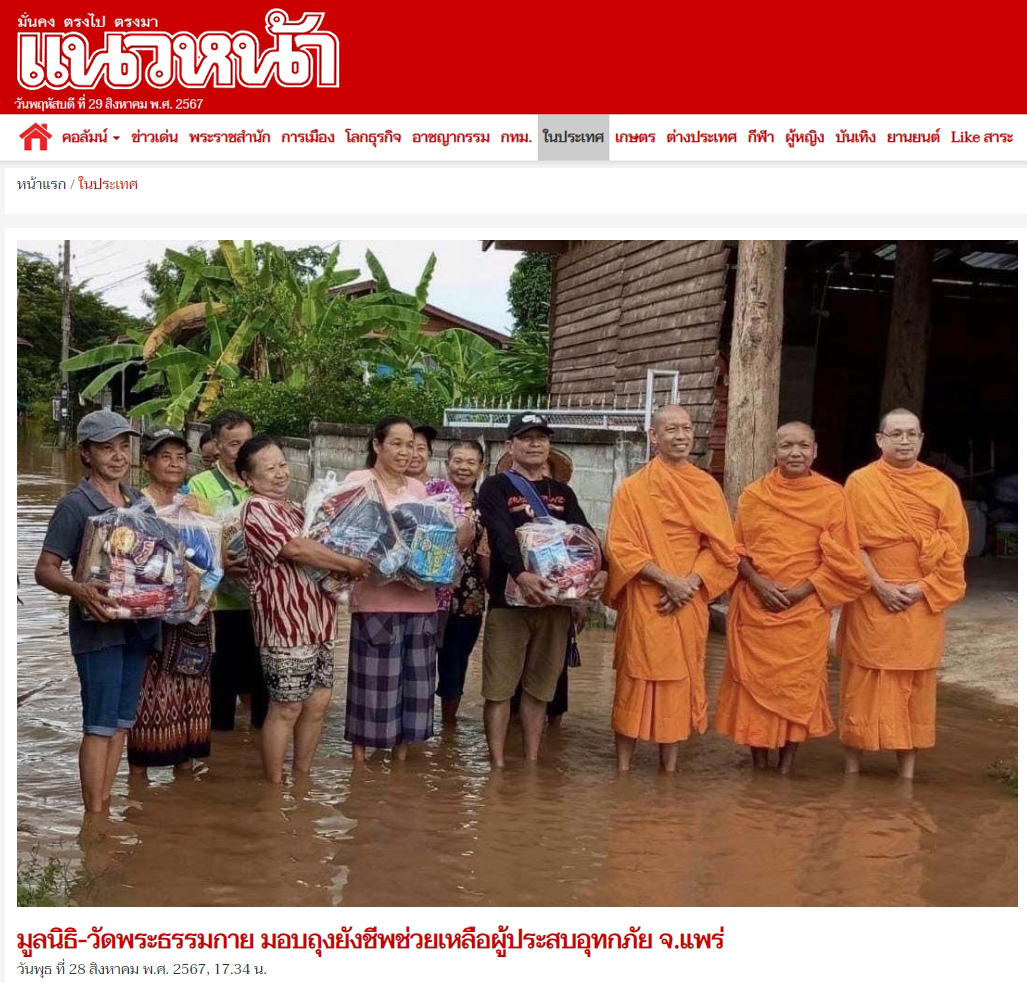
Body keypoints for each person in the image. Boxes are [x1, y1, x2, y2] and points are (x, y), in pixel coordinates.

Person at [714, 422, 869, 774]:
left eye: (802, 446)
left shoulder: (832, 496)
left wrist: (803, 589)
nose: (794, 453)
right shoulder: (754, 496)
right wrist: (757, 583)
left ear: (815, 451)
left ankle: (786, 767)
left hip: (806, 607)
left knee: (799, 687)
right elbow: (736, 550)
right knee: (753, 686)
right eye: (786, 446)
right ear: (774, 451)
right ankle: (759, 764)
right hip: (757, 605)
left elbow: (843, 557)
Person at [34, 410, 162, 812]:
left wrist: (187, 576)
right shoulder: (75, 505)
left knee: (122, 722)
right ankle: (94, 818)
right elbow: (44, 570)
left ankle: (104, 807)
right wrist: (79, 590)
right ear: (86, 453)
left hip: (138, 626)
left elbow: (160, 559)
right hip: (98, 628)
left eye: (124, 447)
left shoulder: (140, 502)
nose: (118, 456)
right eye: (107, 448)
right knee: (99, 723)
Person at [603, 404, 738, 773]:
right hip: (647, 597)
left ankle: (669, 767)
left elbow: (722, 547)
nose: (680, 436)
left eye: (686, 428)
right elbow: (620, 546)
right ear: (654, 436)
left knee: (680, 679)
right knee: (635, 678)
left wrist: (690, 583)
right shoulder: (634, 489)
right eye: (671, 429)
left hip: (688, 598)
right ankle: (624, 767)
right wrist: (667, 581)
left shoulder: (705, 486)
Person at [836, 408, 969, 780]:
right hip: (870, 596)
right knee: (862, 680)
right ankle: (852, 765)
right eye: (896, 434)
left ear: (922, 438)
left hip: (921, 599)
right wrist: (878, 585)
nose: (905, 441)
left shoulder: (942, 487)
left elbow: (955, 548)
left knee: (916, 683)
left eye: (912, 434)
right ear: (880, 440)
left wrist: (921, 587)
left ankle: (906, 770)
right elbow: (849, 543)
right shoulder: (860, 483)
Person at [237, 435, 369, 783]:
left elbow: (329, 537)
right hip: (285, 626)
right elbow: (295, 549)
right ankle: (275, 785)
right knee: (286, 706)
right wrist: (349, 564)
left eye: (282, 464)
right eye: (269, 468)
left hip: (321, 622)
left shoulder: (299, 508)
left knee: (318, 703)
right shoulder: (256, 509)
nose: (281, 473)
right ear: (248, 479)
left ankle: (302, 777)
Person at [477, 412, 606, 768]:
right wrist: (520, 574)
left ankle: (532, 762)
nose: (535, 443)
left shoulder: (563, 493)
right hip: (509, 603)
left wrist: (603, 570)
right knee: (499, 689)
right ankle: (498, 765)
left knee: (540, 689)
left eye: (541, 437)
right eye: (526, 437)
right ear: (509, 446)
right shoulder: (495, 487)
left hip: (554, 604)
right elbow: (501, 534)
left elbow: (586, 535)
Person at [344, 416, 440, 765]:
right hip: (375, 602)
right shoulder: (359, 482)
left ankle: (400, 760)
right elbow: (349, 537)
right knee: (372, 689)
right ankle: (359, 763)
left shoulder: (419, 489)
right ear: (377, 446)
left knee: (415, 689)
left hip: (421, 601)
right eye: (396, 443)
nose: (405, 452)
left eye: (411, 445)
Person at [128, 428, 211, 777]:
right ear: (147, 462)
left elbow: (212, 558)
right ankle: (138, 778)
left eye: (180, 457)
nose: (175, 464)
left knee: (192, 688)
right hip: (153, 615)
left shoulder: (197, 503)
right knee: (148, 691)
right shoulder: (135, 505)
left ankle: (185, 773)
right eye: (166, 456)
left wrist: (198, 516)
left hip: (196, 613)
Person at [188, 410, 269, 733]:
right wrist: (221, 563)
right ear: (216, 447)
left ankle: (256, 768)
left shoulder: (266, 480)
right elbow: (193, 542)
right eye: (234, 444)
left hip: (263, 604)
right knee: (220, 691)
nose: (242, 451)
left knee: (263, 692)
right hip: (220, 606)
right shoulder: (200, 485)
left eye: (248, 443)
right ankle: (219, 770)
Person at [505, 450, 577, 728]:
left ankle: (551, 737)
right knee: (512, 675)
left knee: (553, 675)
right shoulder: (507, 504)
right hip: (516, 601)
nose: (539, 476)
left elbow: (583, 550)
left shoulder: (566, 506)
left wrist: (577, 599)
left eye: (545, 471)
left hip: (558, 601)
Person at [404, 423, 474, 643]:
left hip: (434, 596)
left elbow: (460, 531)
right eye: (409, 447)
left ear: (430, 454)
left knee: (424, 666)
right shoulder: (388, 488)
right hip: (391, 594)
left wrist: (463, 528)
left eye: (421, 448)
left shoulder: (442, 490)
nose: (414, 454)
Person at [435, 440, 487, 725]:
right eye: (458, 461)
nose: (463, 467)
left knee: (455, 665)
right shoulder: (431, 500)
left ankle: (448, 727)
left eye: (471, 462)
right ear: (447, 464)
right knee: (418, 663)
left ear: (481, 468)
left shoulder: (487, 507)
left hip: (468, 601)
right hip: (426, 598)